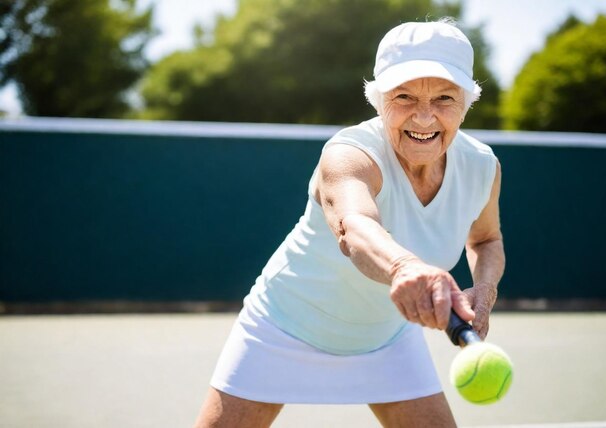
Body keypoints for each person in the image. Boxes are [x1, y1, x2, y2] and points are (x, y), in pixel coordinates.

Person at [195, 18, 505, 428]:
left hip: (388, 339)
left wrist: (484, 290)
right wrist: (404, 267)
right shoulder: (349, 154)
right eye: (405, 97)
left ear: (467, 101)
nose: (425, 118)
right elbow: (354, 226)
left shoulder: (482, 166)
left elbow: (485, 240)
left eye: (445, 98)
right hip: (285, 324)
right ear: (379, 101)